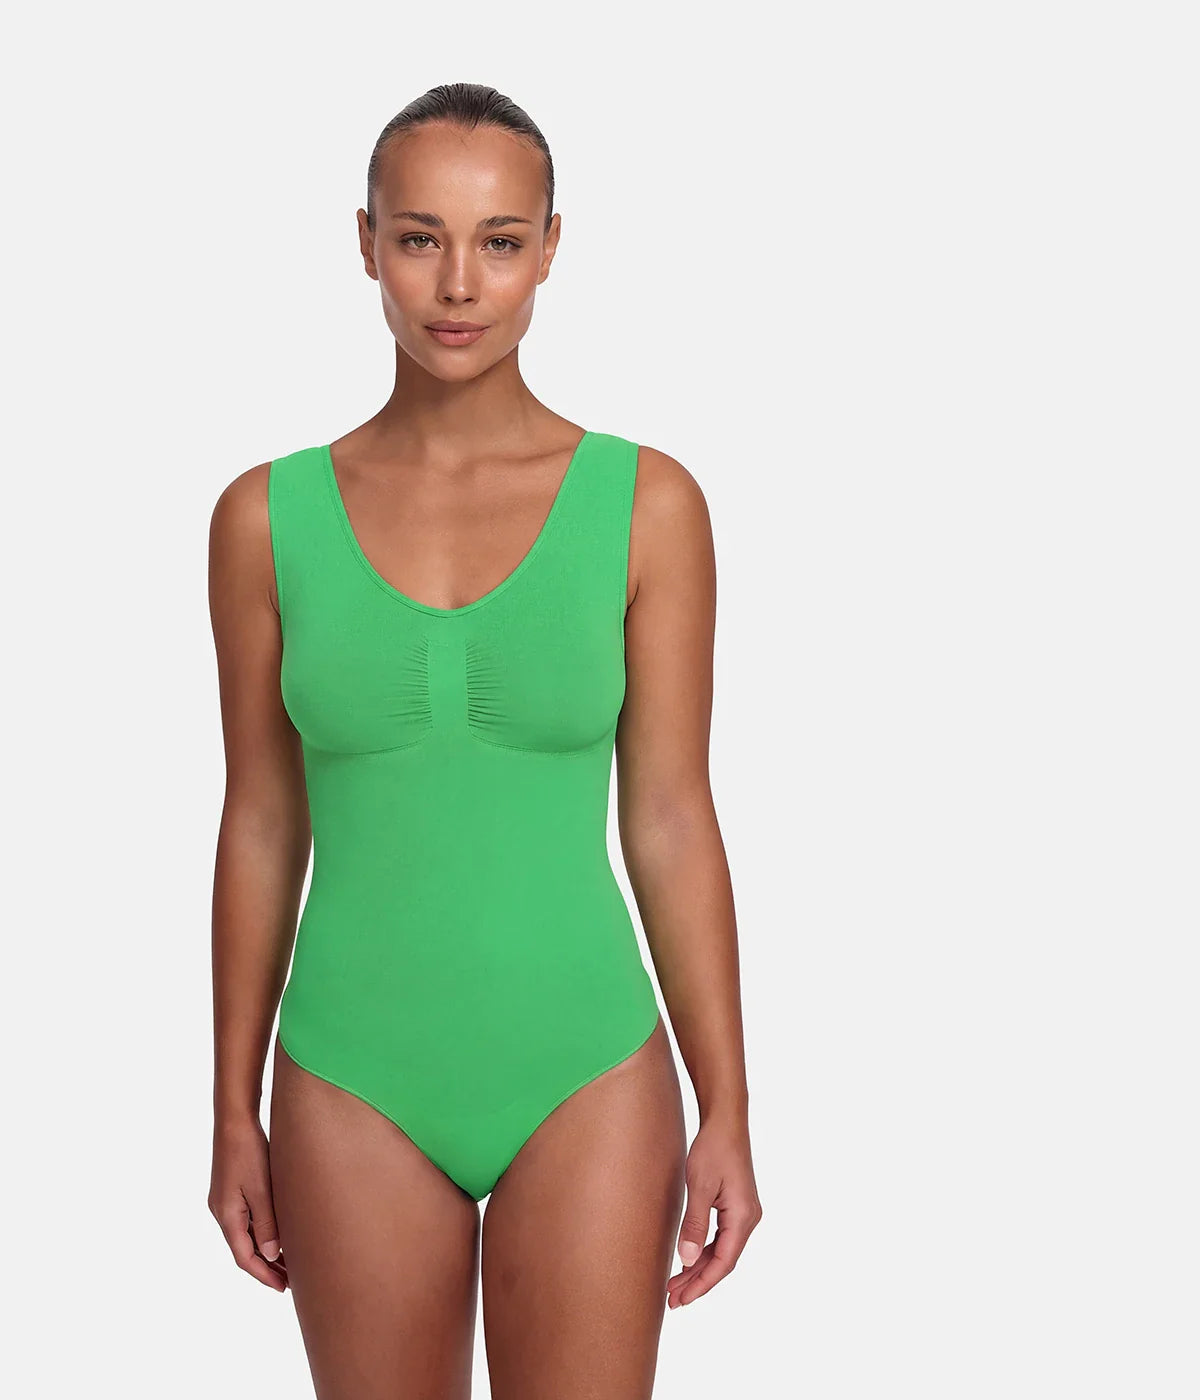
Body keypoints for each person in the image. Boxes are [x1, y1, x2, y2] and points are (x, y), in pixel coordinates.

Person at [206, 81, 760, 1399]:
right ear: (365, 244)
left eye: (500, 241)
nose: (459, 283)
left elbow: (672, 816)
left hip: (587, 1065)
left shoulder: (650, 506)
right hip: (350, 1074)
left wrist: (728, 1104)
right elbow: (261, 820)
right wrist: (230, 1106)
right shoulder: (263, 520)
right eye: (420, 237)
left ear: (551, 249)